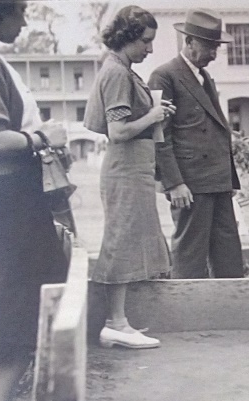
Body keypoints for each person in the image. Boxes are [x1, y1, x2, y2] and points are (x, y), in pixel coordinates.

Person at [0, 1, 70, 401]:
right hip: (6, 204)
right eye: (18, 13)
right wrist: (42, 137)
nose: (23, 21)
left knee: (14, 319)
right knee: (18, 324)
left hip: (7, 202)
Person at [84, 5, 173, 350]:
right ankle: (114, 322)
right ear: (128, 38)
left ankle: (118, 321)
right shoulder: (118, 73)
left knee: (129, 237)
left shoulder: (120, 68)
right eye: (146, 41)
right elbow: (118, 130)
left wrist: (154, 114)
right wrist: (152, 114)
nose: (150, 49)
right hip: (124, 166)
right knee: (120, 240)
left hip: (132, 167)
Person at [148, 9, 245, 279]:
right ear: (188, 42)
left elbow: (219, 129)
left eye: (216, 47)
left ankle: (230, 310)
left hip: (217, 181)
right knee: (190, 256)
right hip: (190, 185)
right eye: (209, 46)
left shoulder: (204, 77)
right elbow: (160, 136)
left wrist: (230, 179)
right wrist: (174, 182)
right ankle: (187, 316)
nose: (214, 53)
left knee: (228, 254)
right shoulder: (163, 76)